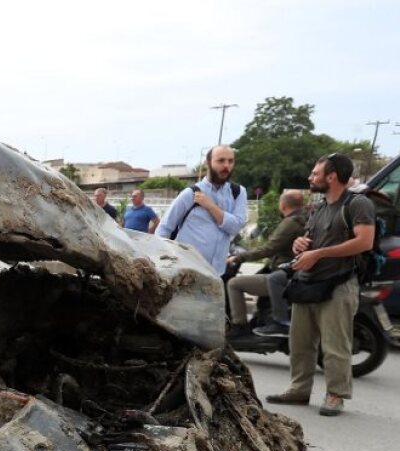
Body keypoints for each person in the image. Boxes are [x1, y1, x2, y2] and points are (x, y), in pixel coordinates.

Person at [266, 154, 375, 416]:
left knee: (335, 345)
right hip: (308, 283)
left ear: (331, 176)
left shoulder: (358, 204)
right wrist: (300, 245)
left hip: (339, 284)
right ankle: (299, 389)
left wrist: (319, 254)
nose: (310, 177)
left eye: (315, 173)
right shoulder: (320, 206)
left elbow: (364, 242)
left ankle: (336, 395)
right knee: (300, 342)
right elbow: (310, 238)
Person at [226, 190, 308, 335]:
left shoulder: (291, 222)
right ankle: (259, 319)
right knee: (260, 274)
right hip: (292, 272)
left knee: (234, 284)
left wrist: (238, 257)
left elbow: (268, 248)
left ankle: (240, 327)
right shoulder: (305, 218)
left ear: (282, 205)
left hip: (284, 274)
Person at [156, 145, 248, 274]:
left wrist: (210, 206)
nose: (226, 166)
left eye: (230, 161)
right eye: (221, 161)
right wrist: (161, 263)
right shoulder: (191, 193)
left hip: (217, 272)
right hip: (185, 270)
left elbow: (235, 227)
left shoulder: (238, 192)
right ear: (207, 163)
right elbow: (164, 228)